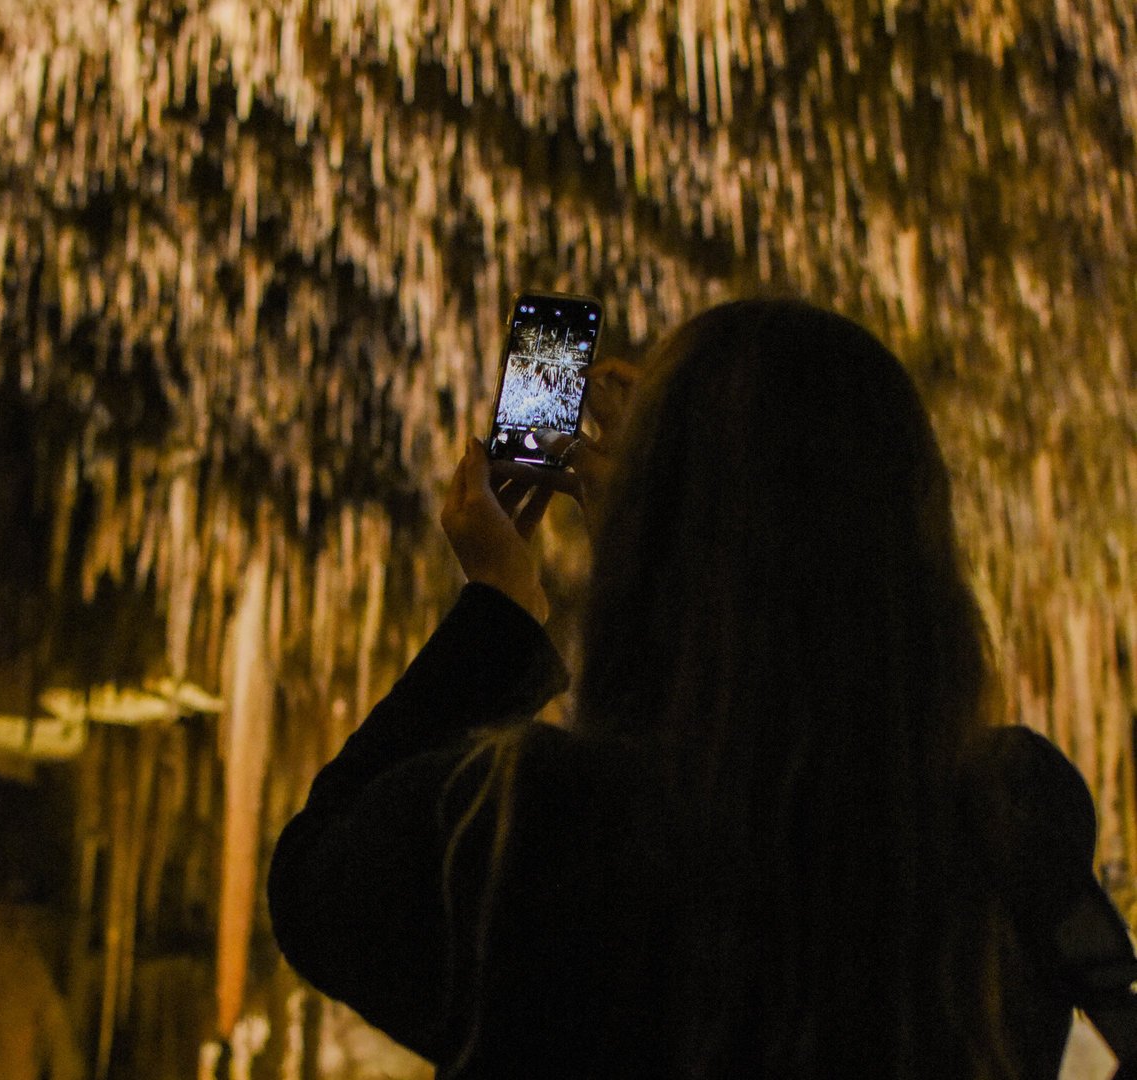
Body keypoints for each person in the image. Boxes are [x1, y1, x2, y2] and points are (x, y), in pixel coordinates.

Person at [268, 299, 1137, 1078]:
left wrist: (500, 606)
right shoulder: (1011, 820)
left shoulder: (530, 835)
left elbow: (314, 878)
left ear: (647, 551)